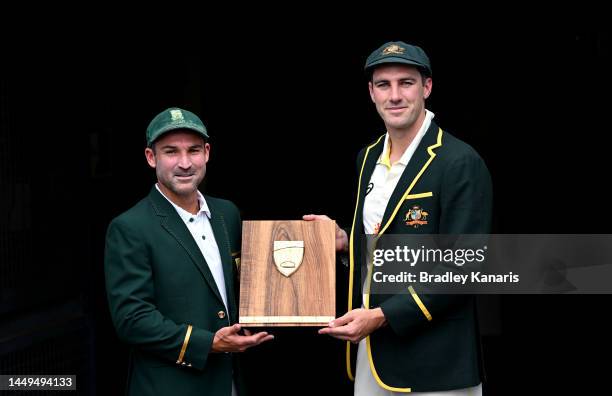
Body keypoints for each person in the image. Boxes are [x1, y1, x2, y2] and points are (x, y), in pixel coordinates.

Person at [304, 41, 492, 394]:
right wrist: (347, 242)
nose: (394, 95)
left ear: (427, 87)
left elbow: (466, 267)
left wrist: (380, 316)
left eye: (405, 82)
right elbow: (380, 238)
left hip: (436, 360)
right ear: (371, 93)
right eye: (383, 84)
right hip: (374, 354)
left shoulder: (459, 161)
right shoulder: (368, 157)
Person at [104, 107, 273, 396]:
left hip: (231, 382)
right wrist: (208, 343)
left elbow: (246, 287)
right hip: (171, 386)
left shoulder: (227, 213)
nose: (185, 163)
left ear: (207, 153)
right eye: (171, 152)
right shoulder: (130, 227)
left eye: (193, 150)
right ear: (150, 157)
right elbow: (132, 320)